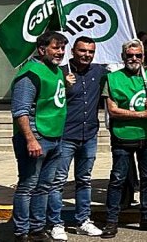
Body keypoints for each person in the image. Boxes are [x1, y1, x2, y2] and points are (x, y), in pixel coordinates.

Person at [102, 39, 147, 238]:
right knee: (118, 179)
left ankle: (146, 218)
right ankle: (111, 221)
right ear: (123, 57)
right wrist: (140, 115)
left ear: (143, 56)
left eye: (137, 55)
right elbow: (112, 110)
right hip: (123, 136)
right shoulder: (112, 78)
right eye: (129, 55)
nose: (134, 58)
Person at [11, 31, 70, 242]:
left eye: (63, 48)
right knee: (28, 186)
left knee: (44, 186)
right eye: (56, 47)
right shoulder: (30, 73)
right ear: (42, 49)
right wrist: (30, 139)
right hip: (36, 137)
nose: (60, 52)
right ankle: (21, 232)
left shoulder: (56, 71)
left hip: (55, 136)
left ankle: (37, 228)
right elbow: (21, 110)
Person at [49, 36, 106, 238]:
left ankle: (83, 220)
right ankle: (56, 223)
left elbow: (126, 73)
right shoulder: (59, 73)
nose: (87, 55)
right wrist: (63, 86)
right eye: (82, 51)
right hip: (65, 136)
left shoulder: (99, 71)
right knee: (58, 182)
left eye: (90, 52)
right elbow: (47, 99)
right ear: (73, 51)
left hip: (89, 135)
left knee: (84, 180)